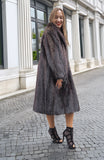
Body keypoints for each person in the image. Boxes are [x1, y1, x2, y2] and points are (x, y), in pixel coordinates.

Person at [33, 8, 80, 149]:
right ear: (51, 18)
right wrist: (60, 76)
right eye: (56, 17)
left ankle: (68, 132)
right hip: (53, 76)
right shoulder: (49, 33)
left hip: (61, 73)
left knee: (69, 104)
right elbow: (54, 56)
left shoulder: (59, 32)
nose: (59, 20)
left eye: (61, 17)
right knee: (51, 104)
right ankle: (53, 131)